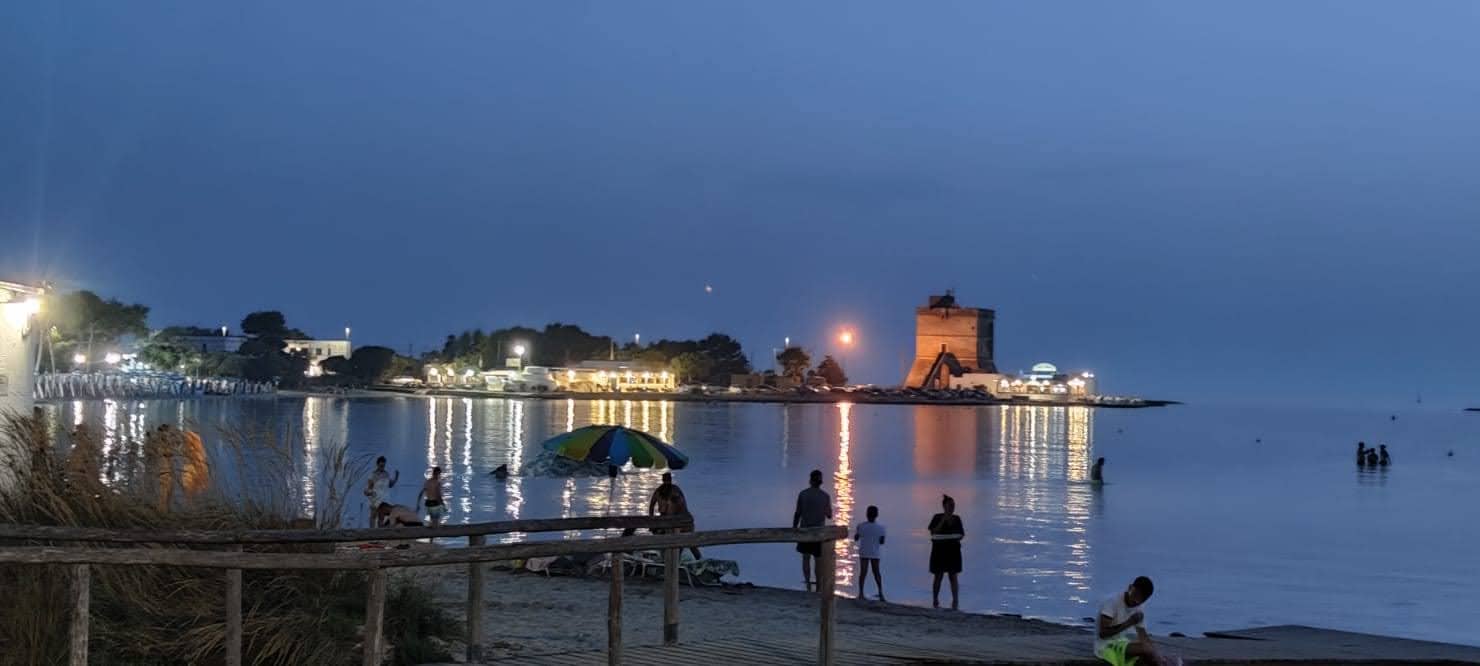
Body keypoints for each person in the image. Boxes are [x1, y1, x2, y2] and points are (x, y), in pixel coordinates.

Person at [1096, 576, 1174, 665]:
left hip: (1121, 642)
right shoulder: (1112, 602)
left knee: (1149, 654)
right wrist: (1129, 623)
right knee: (1145, 650)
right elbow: (1103, 634)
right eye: (1135, 596)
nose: (1136, 601)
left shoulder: (1138, 606)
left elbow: (1143, 637)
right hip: (1105, 646)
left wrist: (1158, 655)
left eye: (1141, 600)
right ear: (1130, 588)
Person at [793, 469, 833, 592]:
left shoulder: (803, 494)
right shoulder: (825, 496)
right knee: (818, 560)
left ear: (810, 480)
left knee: (806, 558)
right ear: (821, 482)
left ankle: (808, 585)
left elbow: (798, 513)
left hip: (805, 530)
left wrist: (794, 528)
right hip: (818, 532)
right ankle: (819, 587)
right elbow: (829, 515)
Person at [647, 472, 703, 559]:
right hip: (668, 521)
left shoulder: (675, 491)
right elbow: (651, 506)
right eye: (665, 481)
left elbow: (680, 507)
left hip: (682, 520)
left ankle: (695, 559)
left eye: (667, 481)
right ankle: (668, 560)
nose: (666, 483)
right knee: (667, 542)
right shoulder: (659, 491)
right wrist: (652, 520)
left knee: (687, 543)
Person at [928, 495, 964, 609]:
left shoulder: (957, 518)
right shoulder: (937, 517)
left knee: (953, 576)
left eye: (953, 505)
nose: (952, 507)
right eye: (950, 505)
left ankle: (955, 601)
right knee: (938, 576)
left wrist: (956, 537)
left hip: (953, 551)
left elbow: (961, 534)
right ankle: (935, 600)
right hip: (939, 551)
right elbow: (933, 532)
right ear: (944, 506)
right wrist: (944, 519)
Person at [854, 505, 886, 601]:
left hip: (864, 551)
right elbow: (882, 542)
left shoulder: (861, 526)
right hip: (875, 552)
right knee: (876, 572)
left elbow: (856, 538)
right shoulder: (881, 528)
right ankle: (881, 593)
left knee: (863, 572)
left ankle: (861, 593)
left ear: (866, 514)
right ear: (877, 515)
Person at [364, 456, 400, 526]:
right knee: (373, 517)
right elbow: (369, 487)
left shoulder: (386, 474)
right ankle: (371, 534)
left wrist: (396, 477)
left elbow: (390, 485)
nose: (382, 467)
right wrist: (369, 493)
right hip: (375, 499)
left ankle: (380, 534)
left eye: (383, 465)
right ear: (377, 464)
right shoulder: (373, 474)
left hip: (384, 499)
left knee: (381, 517)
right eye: (381, 465)